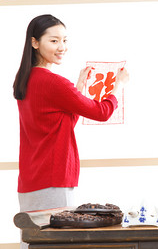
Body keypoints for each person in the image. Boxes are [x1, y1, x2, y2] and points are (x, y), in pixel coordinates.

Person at [13, 14, 129, 215]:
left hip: (30, 181)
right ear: (35, 43)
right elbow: (102, 112)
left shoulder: (26, 80)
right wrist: (118, 86)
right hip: (53, 180)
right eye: (54, 40)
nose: (62, 47)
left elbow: (60, 123)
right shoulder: (54, 83)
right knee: (55, 243)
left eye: (65, 40)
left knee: (32, 243)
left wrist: (79, 88)